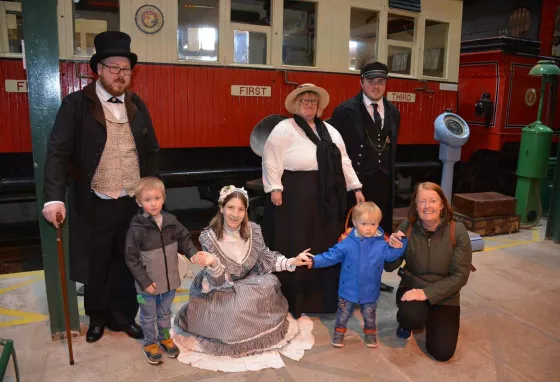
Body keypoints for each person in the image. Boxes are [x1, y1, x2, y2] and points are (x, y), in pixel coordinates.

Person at [42, 31, 160, 343]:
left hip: (129, 202)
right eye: (114, 68)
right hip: (94, 201)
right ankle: (97, 317)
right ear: (99, 70)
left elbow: (152, 152)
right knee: (96, 263)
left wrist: (152, 192)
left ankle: (123, 317)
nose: (121, 75)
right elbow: (57, 153)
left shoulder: (136, 105)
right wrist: (53, 199)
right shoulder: (76, 104)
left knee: (126, 262)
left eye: (126, 69)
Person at [172, 186, 313, 372]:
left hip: (248, 281)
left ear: (246, 211)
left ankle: (257, 333)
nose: (235, 214)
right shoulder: (209, 236)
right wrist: (213, 263)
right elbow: (218, 282)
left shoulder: (253, 230)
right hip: (219, 285)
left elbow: (264, 258)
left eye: (240, 209)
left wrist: (291, 261)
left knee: (269, 282)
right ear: (221, 208)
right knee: (232, 304)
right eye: (230, 208)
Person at [261, 83, 364, 318]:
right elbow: (271, 159)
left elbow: (344, 160)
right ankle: (294, 300)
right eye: (305, 101)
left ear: (319, 107)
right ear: (297, 105)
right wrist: (275, 188)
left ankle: (322, 299)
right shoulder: (284, 128)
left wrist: (356, 187)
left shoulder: (329, 130)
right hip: (294, 196)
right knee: (296, 241)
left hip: (326, 196)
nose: (309, 105)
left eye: (313, 102)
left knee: (324, 244)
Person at [330, 62, 402, 293]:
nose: (376, 86)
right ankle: (349, 281)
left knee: (378, 231)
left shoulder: (393, 112)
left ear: (386, 85)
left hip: (383, 182)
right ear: (361, 82)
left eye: (381, 81)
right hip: (355, 184)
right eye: (371, 81)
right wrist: (349, 185)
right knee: (354, 233)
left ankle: (373, 278)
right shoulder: (344, 111)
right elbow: (336, 153)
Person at [385, 182, 472, 361]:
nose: (427, 206)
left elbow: (460, 276)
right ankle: (408, 324)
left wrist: (426, 293)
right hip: (412, 286)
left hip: (446, 294)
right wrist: (391, 249)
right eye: (421, 201)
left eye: (433, 200)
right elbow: (389, 267)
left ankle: (432, 317)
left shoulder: (458, 231)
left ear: (442, 205)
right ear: (415, 207)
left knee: (442, 353)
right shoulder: (406, 228)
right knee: (411, 316)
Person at [301, 202, 407, 348]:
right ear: (354, 222)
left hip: (370, 290)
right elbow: (331, 256)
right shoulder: (347, 243)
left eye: (373, 224)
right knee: (343, 314)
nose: (369, 228)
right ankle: (338, 335)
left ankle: (370, 334)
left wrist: (402, 241)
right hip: (347, 290)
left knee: (370, 315)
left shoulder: (381, 244)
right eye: (364, 223)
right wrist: (314, 261)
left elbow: (391, 255)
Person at [125, 177, 200, 365]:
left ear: (163, 198)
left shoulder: (171, 222)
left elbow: (185, 238)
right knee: (148, 317)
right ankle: (150, 343)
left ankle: (164, 338)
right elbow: (131, 259)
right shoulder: (136, 229)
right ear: (139, 202)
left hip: (169, 282)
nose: (153, 203)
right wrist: (144, 282)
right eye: (147, 199)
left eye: (157, 198)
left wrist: (192, 254)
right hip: (147, 286)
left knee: (165, 313)